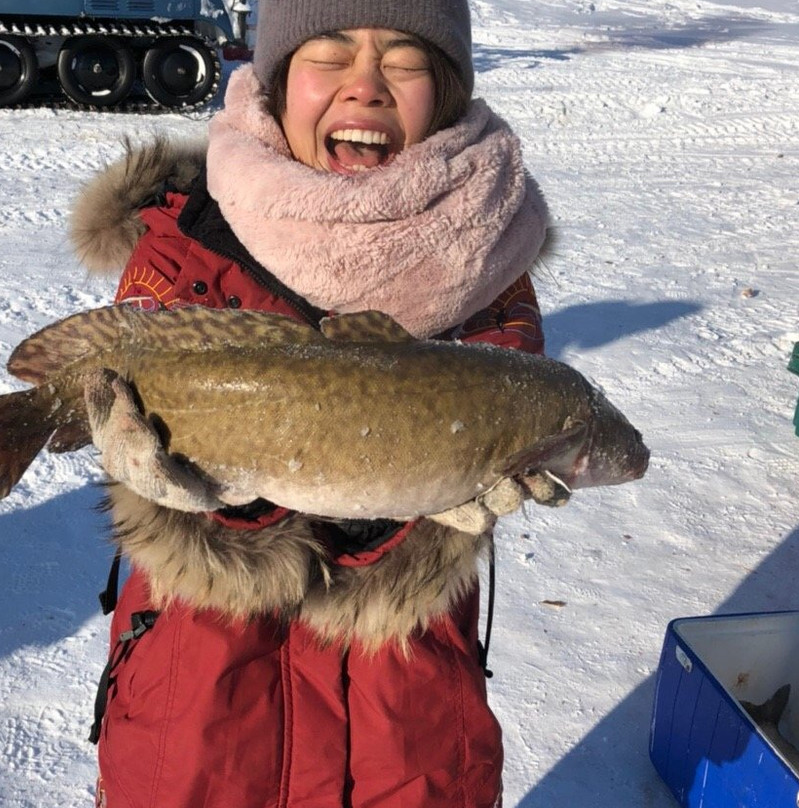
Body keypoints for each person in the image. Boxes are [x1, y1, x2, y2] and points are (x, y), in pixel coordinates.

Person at [68, 1, 555, 805]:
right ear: (279, 79)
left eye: (404, 59)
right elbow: (139, 430)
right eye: (328, 53)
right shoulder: (184, 242)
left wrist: (410, 500)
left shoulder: (489, 255)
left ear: (448, 90)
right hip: (201, 723)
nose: (364, 87)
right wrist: (183, 483)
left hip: (405, 722)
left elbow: (490, 423)